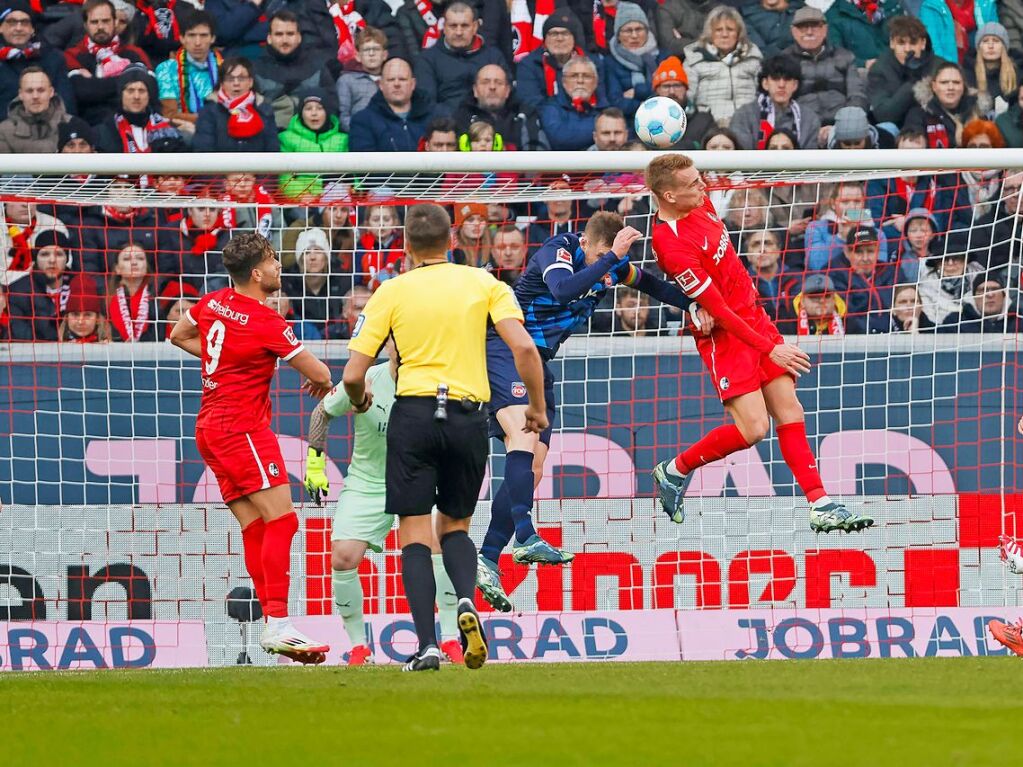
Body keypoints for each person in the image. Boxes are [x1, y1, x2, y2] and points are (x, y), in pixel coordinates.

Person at [341, 202, 547, 672]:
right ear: (452, 242)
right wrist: (534, 407)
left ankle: (428, 644)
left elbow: (354, 374)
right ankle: (466, 606)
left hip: (413, 414)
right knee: (454, 527)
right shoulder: (484, 284)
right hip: (468, 417)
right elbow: (523, 347)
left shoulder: (390, 291)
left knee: (413, 531)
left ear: (408, 247)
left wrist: (357, 403)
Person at [476, 211, 702, 612]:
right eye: (602, 255)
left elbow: (648, 283)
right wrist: (609, 258)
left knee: (535, 466)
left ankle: (488, 558)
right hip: (505, 347)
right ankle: (526, 535)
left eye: (610, 258)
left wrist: (691, 304)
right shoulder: (557, 250)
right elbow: (562, 291)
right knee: (523, 437)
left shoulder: (611, 266)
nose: (608, 266)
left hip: (538, 362)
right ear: (586, 243)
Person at [646, 153, 874, 534]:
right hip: (726, 335)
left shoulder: (698, 201)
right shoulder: (672, 246)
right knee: (753, 429)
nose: (703, 188)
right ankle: (674, 470)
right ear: (667, 196)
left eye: (700, 179)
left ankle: (820, 504)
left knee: (790, 409)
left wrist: (765, 338)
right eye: (692, 185)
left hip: (754, 318)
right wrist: (770, 348)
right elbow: (717, 311)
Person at [169, 232, 333, 664]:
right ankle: (278, 623)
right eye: (275, 261)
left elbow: (177, 334)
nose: (280, 267)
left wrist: (221, 363)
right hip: (242, 428)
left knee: (256, 526)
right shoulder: (266, 322)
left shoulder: (212, 301)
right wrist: (322, 381)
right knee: (284, 522)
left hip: (208, 428)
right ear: (257, 273)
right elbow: (319, 372)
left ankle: (273, 624)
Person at [302, 340, 467, 666]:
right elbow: (322, 412)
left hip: (420, 479)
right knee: (343, 557)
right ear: (388, 345)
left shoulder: (436, 384)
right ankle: (359, 647)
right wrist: (315, 464)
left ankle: (450, 640)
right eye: (396, 339)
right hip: (368, 483)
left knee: (438, 545)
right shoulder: (365, 380)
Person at [65, 0, 151, 125]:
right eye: (94, 22)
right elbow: (83, 92)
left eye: (105, 21)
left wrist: (95, 83)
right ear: (85, 25)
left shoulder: (135, 53)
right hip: (94, 126)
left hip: (136, 122)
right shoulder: (73, 55)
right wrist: (127, 79)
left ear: (115, 22)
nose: (100, 27)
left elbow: (150, 88)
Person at [413, 2, 508, 115]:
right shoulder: (427, 60)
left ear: (475, 27)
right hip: (447, 125)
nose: (459, 32)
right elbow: (427, 104)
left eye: (464, 26)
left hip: (489, 124)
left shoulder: (494, 56)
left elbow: (508, 95)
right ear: (444, 27)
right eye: (453, 26)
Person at [784, 7, 867, 135]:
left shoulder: (845, 57)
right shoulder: (783, 60)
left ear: (825, 29)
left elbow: (856, 96)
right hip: (801, 128)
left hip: (843, 127)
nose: (809, 32)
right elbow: (782, 103)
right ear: (793, 31)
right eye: (803, 27)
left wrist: (842, 126)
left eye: (815, 26)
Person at [251, 10, 337, 131]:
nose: (285, 40)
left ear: (299, 37)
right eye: (279, 34)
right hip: (272, 138)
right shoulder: (255, 70)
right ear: (269, 38)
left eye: (290, 34)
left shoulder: (317, 65)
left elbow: (332, 105)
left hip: (312, 138)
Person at [683, 6, 763, 126]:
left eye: (730, 29)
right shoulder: (695, 59)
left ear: (738, 33)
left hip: (747, 123)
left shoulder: (753, 57)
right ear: (710, 33)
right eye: (718, 30)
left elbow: (763, 95)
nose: (724, 35)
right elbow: (687, 97)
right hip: (710, 125)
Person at [0, 0, 75, 122]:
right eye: (11, 22)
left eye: (24, 23)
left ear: (32, 29)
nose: (18, 28)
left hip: (50, 132)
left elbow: (67, 104)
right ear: (1, 28)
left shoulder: (53, 58)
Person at [729, 53, 821, 149]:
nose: (781, 85)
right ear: (765, 83)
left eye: (787, 79)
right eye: (775, 78)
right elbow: (742, 157)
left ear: (795, 85)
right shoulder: (744, 115)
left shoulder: (809, 118)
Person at [452, 63, 548, 151]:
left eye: (498, 82)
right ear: (475, 90)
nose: (492, 87)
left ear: (507, 90)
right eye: (485, 82)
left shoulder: (525, 114)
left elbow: (536, 151)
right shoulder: (461, 116)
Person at [155, 11, 221, 138]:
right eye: (191, 35)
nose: (197, 42)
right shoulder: (166, 69)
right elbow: (170, 115)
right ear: (182, 38)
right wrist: (208, 121)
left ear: (213, 38)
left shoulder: (225, 68)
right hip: (183, 132)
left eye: (203, 35)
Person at [193, 57, 279, 153]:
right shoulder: (209, 111)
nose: (236, 83)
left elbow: (272, 149)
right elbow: (203, 149)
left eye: (241, 78)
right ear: (222, 84)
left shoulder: (264, 110)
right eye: (230, 79)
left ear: (250, 82)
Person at [95, 63, 184, 153]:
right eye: (130, 91)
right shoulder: (104, 132)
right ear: (121, 94)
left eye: (142, 91)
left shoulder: (168, 131)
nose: (136, 96)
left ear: (149, 95)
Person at [348, 57, 431, 152]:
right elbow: (363, 162)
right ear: (381, 84)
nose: (397, 84)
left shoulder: (435, 117)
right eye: (391, 80)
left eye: (402, 79)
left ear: (413, 84)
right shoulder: (362, 121)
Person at [826, 225, 898, 334]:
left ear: (878, 251)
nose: (865, 258)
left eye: (870, 251)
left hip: (895, 335)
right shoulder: (833, 274)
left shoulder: (891, 272)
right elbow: (847, 316)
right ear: (847, 252)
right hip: (854, 339)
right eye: (859, 252)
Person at [868, 17, 933, 130]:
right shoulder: (879, 70)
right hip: (897, 128)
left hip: (931, 125)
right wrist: (912, 82)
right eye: (901, 43)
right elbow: (883, 115)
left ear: (923, 43)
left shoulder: (935, 65)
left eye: (913, 42)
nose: (907, 49)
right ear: (892, 43)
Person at [904, 60, 985, 148]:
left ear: (963, 86)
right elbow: (910, 147)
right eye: (944, 82)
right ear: (934, 86)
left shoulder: (979, 114)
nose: (951, 87)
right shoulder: (918, 114)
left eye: (956, 82)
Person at [539, 54, 610, 151]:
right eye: (574, 76)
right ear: (564, 82)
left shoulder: (607, 107)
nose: (580, 81)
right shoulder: (551, 107)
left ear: (595, 82)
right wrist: (602, 129)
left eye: (586, 76)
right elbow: (560, 139)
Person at [603, 1, 660, 118]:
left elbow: (666, 93)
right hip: (626, 122)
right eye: (628, 30)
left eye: (639, 29)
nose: (634, 35)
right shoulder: (609, 63)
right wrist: (645, 106)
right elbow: (616, 102)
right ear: (618, 35)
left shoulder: (662, 57)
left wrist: (638, 91)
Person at [649, 56, 715, 149]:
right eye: (666, 86)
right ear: (657, 90)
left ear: (685, 89)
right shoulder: (644, 118)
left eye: (677, 85)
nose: (672, 91)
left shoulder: (703, 120)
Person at [0, 66, 68, 153]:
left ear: (51, 92)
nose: (35, 96)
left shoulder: (71, 124)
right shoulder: (3, 131)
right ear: (20, 94)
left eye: (41, 90)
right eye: (29, 91)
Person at [824, 0, 903, 69]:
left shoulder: (894, 6)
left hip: (897, 71)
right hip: (860, 75)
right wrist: (863, 64)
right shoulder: (834, 15)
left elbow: (907, 41)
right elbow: (835, 55)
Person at [336, 25, 386, 133]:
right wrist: (362, 133)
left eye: (376, 49)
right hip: (361, 136)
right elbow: (342, 116)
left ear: (384, 55)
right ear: (358, 56)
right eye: (366, 50)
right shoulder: (347, 80)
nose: (371, 54)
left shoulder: (391, 79)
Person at [106, 241, 158, 342]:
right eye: (127, 259)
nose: (134, 262)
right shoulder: (106, 298)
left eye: (140, 258)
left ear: (147, 266)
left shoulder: (158, 295)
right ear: (117, 269)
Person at [944, 274, 1023, 332]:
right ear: (974, 297)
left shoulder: (1020, 320)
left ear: (1004, 295)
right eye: (983, 290)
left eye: (995, 289)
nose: (989, 295)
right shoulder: (955, 322)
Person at [970, 23, 1016, 117]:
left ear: (1004, 46)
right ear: (979, 47)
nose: (990, 46)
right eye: (985, 41)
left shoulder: (1018, 73)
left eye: (996, 41)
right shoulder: (968, 73)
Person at [777, 273, 848, 335]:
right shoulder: (786, 325)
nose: (822, 300)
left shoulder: (849, 323)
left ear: (834, 299)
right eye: (814, 296)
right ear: (802, 301)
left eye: (827, 296)